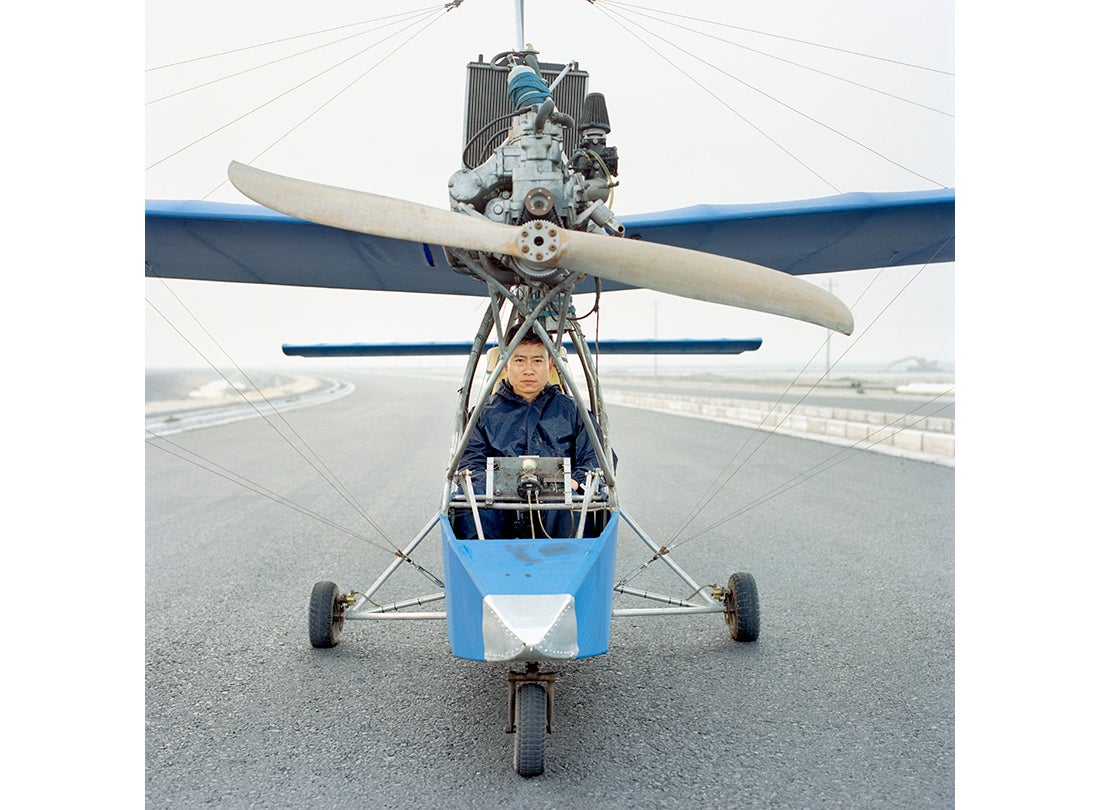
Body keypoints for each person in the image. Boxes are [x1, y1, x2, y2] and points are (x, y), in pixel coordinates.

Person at [453, 326, 603, 539]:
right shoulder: (483, 414)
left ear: (550, 364)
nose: (528, 370)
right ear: (506, 364)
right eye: (520, 360)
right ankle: (486, 557)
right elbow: (469, 463)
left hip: (558, 505)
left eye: (537, 361)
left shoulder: (574, 411)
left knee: (572, 499)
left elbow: (596, 459)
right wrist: (500, 485)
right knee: (472, 496)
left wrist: (573, 482)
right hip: (498, 504)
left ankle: (567, 557)